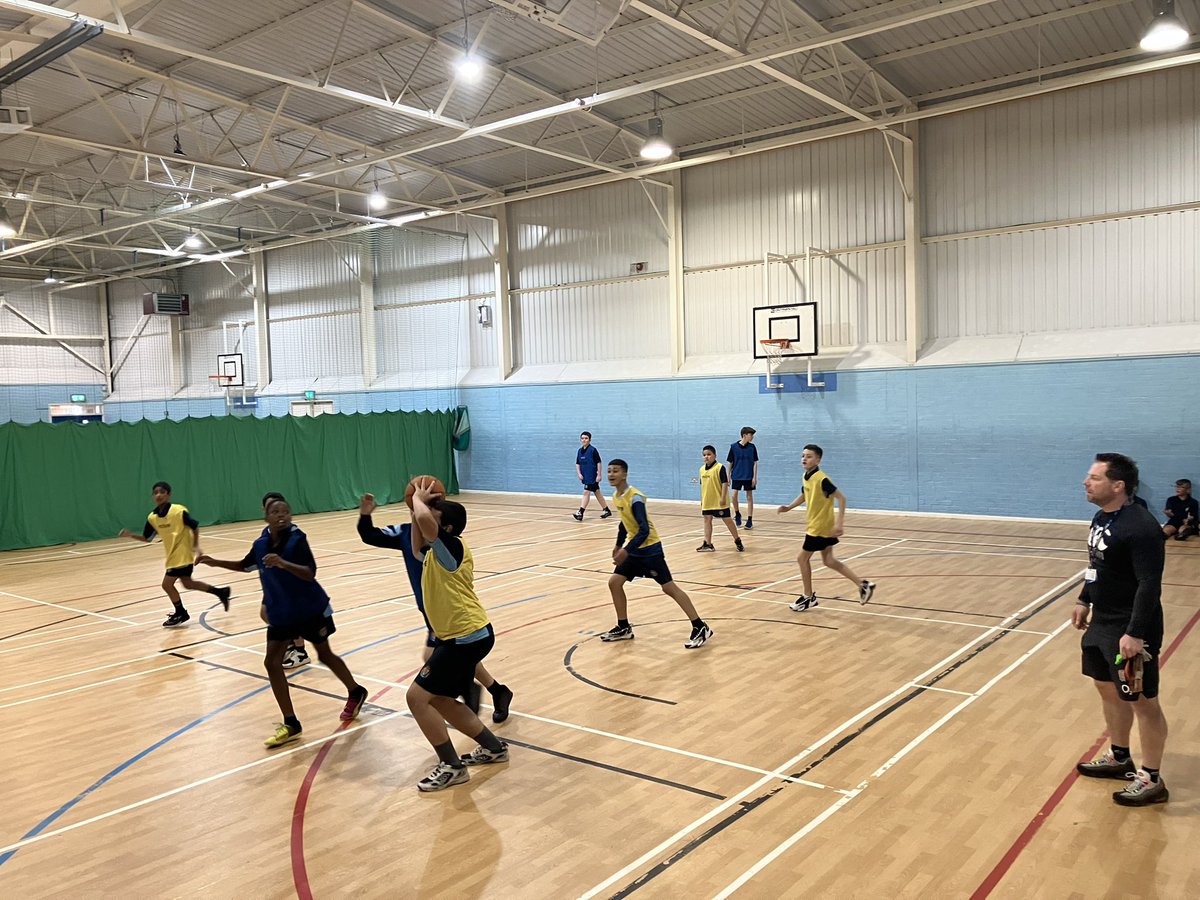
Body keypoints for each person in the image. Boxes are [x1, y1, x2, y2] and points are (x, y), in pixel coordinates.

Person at [198, 497, 368, 748]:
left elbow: (310, 573)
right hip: (281, 613)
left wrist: (282, 563)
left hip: (310, 609)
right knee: (271, 662)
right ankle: (291, 723)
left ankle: (356, 691)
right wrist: (215, 562)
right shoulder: (260, 544)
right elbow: (246, 566)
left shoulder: (298, 540)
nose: (281, 515)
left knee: (325, 655)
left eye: (285, 511)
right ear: (266, 517)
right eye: (275, 511)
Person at [356, 491, 513, 723]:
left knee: (438, 657)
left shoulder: (445, 542)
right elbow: (370, 535)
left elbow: (430, 528)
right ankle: (488, 690)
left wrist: (418, 500)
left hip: (453, 614)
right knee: (455, 655)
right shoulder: (409, 533)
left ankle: (470, 693)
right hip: (435, 611)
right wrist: (365, 515)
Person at [1074, 452, 1170, 806]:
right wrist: (1084, 599)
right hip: (1102, 622)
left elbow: (1149, 585)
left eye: (1094, 477)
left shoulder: (1142, 528)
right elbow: (1095, 563)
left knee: (1144, 702)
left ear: (1118, 485)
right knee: (1107, 688)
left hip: (1131, 629)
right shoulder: (1101, 518)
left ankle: (1152, 779)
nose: (1086, 482)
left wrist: (1135, 633)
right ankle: (1119, 756)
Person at [405, 483, 510, 791]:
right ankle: (493, 748)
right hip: (463, 636)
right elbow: (415, 546)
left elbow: (428, 526)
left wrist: (417, 499)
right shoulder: (435, 551)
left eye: (432, 515)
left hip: (465, 637)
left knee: (416, 698)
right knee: (440, 699)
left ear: (445, 526)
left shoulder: (452, 547)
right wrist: (416, 509)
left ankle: (452, 766)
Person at [599, 459, 713, 649]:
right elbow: (623, 523)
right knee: (614, 583)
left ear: (625, 474)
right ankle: (623, 627)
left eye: (615, 471)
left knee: (669, 588)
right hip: (634, 551)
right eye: (609, 471)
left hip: (650, 551)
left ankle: (700, 626)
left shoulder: (635, 498)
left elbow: (644, 530)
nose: (611, 474)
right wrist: (618, 545)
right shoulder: (616, 496)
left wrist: (625, 551)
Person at [119, 480, 231, 627]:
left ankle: (181, 613)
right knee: (188, 584)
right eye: (155, 492)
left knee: (166, 584)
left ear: (168, 495)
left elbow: (194, 526)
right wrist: (130, 535)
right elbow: (147, 538)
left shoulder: (178, 511)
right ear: (152, 496)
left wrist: (195, 545)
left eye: (162, 492)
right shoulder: (152, 517)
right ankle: (220, 592)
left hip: (183, 554)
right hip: (172, 556)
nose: (158, 495)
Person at [777, 444, 875, 610]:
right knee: (829, 560)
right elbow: (804, 495)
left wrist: (840, 523)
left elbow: (842, 498)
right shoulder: (806, 476)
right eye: (803, 455)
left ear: (818, 460)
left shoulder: (822, 479)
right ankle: (863, 585)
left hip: (819, 528)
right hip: (819, 526)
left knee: (802, 559)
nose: (804, 459)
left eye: (809, 456)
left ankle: (808, 597)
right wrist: (789, 507)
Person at [259, 492, 309, 670]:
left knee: (290, 618)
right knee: (266, 614)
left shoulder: (293, 534)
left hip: (292, 584)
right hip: (274, 585)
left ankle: (300, 651)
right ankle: (290, 644)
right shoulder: (266, 533)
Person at [697, 445, 743, 553]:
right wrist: (702, 500)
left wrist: (723, 497)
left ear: (715, 455)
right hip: (707, 501)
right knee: (707, 520)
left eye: (709, 454)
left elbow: (724, 483)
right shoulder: (701, 470)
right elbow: (703, 486)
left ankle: (737, 540)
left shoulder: (719, 467)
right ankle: (708, 544)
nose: (706, 457)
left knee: (727, 520)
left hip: (719, 501)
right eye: (704, 455)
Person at [573, 431, 612, 521]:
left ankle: (580, 513)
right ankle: (606, 510)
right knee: (597, 492)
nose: (584, 440)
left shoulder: (593, 450)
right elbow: (577, 463)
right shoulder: (579, 451)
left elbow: (599, 462)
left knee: (586, 492)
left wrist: (599, 474)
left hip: (592, 476)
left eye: (586, 438)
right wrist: (579, 473)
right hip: (585, 476)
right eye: (582, 438)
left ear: (590, 440)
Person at [727, 427, 759, 528]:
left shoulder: (752, 447)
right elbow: (730, 463)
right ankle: (737, 514)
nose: (752, 437)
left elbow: (755, 463)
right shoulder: (733, 447)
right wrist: (728, 476)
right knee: (734, 496)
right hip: (736, 475)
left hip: (748, 476)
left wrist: (754, 477)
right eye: (751, 435)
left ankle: (749, 519)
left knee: (749, 497)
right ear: (745, 435)